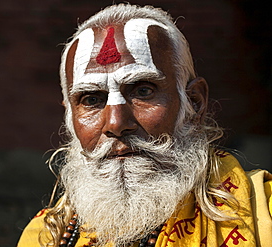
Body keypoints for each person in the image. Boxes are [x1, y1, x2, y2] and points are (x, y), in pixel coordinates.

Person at [18, 3, 272, 247]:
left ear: (194, 103)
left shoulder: (266, 214)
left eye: (142, 91)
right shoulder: (44, 237)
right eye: (92, 100)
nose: (116, 124)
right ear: (69, 119)